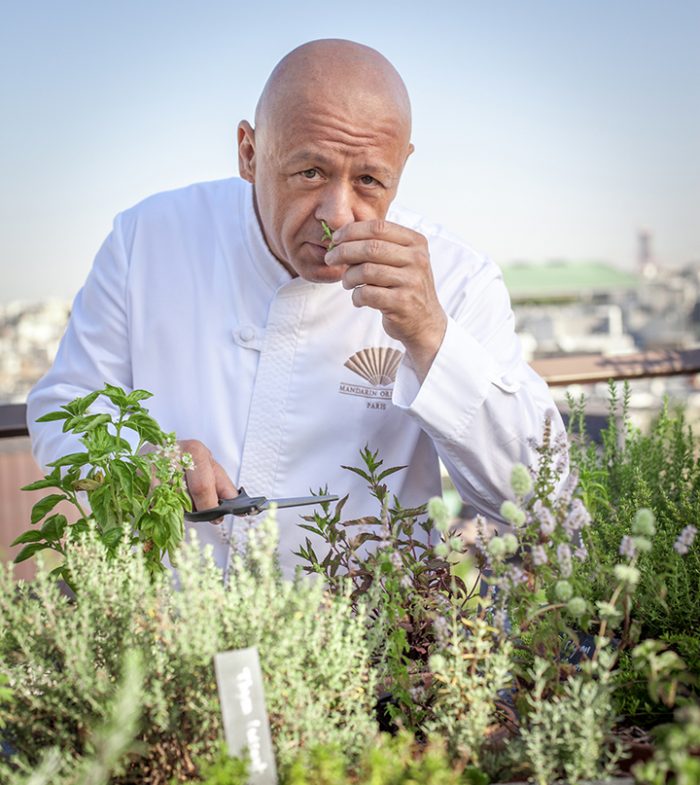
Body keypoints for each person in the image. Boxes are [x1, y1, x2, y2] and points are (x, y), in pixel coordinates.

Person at [28, 39, 566, 576]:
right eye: (310, 172)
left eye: (370, 180)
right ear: (249, 153)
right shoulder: (146, 239)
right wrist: (132, 459)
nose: (338, 214)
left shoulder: (458, 278)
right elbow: (65, 405)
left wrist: (432, 337)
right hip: (173, 629)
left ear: (403, 165)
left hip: (377, 640)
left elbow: (542, 497)